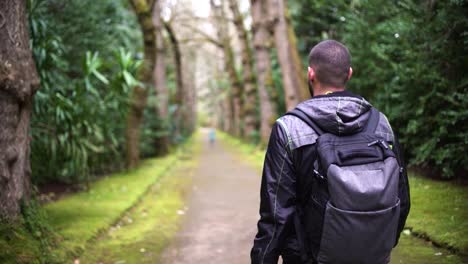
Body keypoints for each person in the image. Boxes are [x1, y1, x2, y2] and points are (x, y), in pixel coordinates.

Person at [250, 40, 410, 264]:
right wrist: (378, 243)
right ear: (350, 74)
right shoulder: (381, 124)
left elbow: (276, 215)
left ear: (310, 74)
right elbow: (401, 198)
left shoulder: (288, 128)